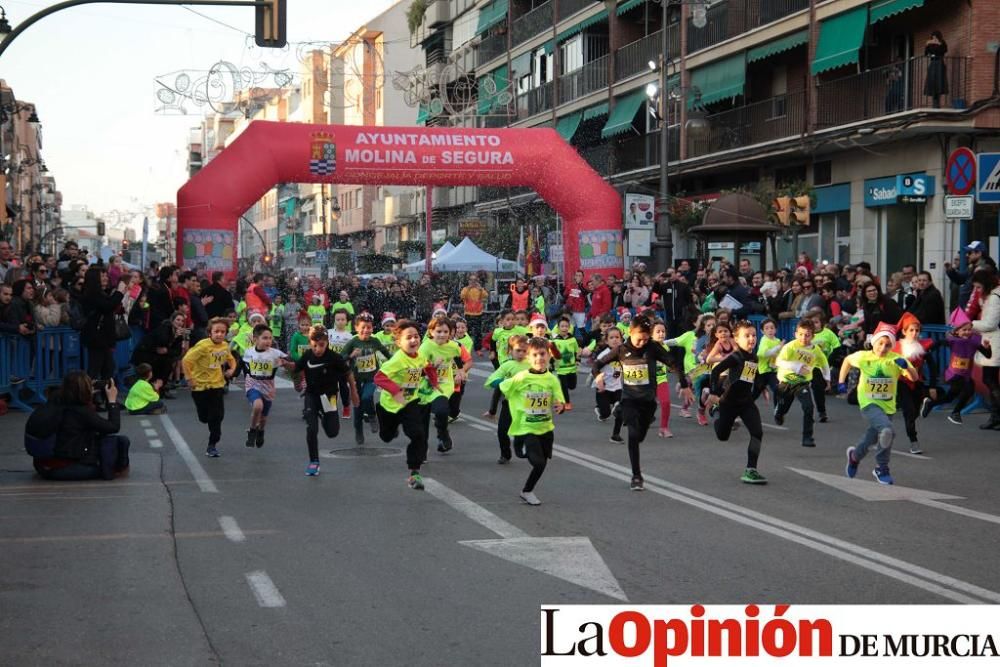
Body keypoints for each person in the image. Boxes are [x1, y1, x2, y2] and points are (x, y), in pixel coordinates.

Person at [592, 315, 687, 491]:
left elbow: (673, 364)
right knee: (633, 436)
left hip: (648, 402)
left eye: (645, 339)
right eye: (638, 339)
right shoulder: (621, 350)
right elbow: (597, 363)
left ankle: (619, 412)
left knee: (640, 435)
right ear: (630, 332)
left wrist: (685, 384)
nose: (642, 343)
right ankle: (636, 475)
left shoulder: (653, 347)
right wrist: (597, 375)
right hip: (629, 399)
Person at [840, 322, 918, 485]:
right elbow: (847, 361)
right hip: (868, 403)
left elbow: (914, 378)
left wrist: (907, 368)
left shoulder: (897, 359)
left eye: (888, 345)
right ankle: (881, 468)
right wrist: (841, 381)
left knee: (872, 437)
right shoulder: (863, 356)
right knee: (887, 431)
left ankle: (854, 457)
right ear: (873, 342)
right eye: (880, 343)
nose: (883, 348)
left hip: (888, 406)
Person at [498, 336, 566, 506]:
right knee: (538, 461)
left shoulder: (552, 379)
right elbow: (502, 386)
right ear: (528, 358)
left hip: (545, 427)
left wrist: (560, 406)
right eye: (535, 355)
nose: (539, 358)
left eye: (542, 354)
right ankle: (520, 441)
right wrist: (511, 396)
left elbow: (559, 400)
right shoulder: (522, 376)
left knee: (541, 464)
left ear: (549, 356)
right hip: (527, 425)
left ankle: (526, 491)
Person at [373, 319, 439, 490]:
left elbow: (427, 366)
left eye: (416, 337)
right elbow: (379, 377)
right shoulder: (397, 360)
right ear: (398, 342)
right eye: (408, 338)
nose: (413, 340)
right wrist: (396, 391)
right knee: (386, 437)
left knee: (418, 434)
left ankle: (414, 471)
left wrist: (434, 381)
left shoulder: (420, 356)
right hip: (391, 405)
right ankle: (383, 419)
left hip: (410, 402)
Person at [28, 372, 130, 481]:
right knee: (120, 443)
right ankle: (117, 469)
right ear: (84, 390)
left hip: (42, 466)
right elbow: (113, 427)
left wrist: (85, 394)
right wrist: (112, 401)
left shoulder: (53, 404)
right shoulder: (81, 412)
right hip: (67, 468)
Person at [706, 321, 767, 484]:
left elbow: (756, 376)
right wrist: (713, 393)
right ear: (737, 340)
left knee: (757, 432)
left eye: (754, 335)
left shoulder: (753, 357)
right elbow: (716, 370)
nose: (751, 339)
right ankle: (715, 411)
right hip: (729, 402)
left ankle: (751, 470)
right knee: (722, 436)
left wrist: (763, 388)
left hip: (746, 402)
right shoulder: (736, 356)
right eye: (747, 336)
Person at [294, 325, 358, 476]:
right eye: (314, 345)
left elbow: (348, 374)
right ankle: (314, 462)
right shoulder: (308, 355)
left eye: (321, 345)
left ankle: (324, 417)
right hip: (312, 395)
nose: (317, 349)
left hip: (329, 397)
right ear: (310, 342)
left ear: (327, 342)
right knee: (311, 429)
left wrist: (353, 393)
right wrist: (288, 368)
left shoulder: (334, 358)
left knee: (332, 432)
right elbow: (296, 368)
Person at [921, 308, 992, 423]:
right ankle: (955, 413)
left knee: (950, 397)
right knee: (969, 389)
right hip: (953, 374)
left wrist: (988, 347)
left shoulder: (974, 342)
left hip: (965, 375)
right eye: (964, 330)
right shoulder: (953, 341)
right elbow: (938, 343)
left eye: (969, 330)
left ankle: (930, 404)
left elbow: (987, 355)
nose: (967, 332)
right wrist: (926, 352)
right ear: (957, 331)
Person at [182, 318, 236, 458]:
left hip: (217, 385)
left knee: (217, 416)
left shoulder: (224, 346)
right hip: (199, 386)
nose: (219, 334)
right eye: (216, 331)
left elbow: (231, 359)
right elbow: (186, 361)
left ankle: (212, 445)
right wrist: (189, 378)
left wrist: (232, 370)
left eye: (222, 332)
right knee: (204, 418)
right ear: (210, 333)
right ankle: (206, 418)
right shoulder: (203, 346)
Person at [774, 320, 830, 447]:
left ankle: (807, 437)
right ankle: (779, 412)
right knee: (784, 405)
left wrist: (827, 379)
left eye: (807, 335)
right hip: (787, 380)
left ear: (813, 336)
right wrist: (796, 366)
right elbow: (779, 361)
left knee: (808, 406)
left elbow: (824, 363)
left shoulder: (816, 350)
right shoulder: (790, 346)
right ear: (795, 334)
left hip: (801, 382)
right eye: (801, 334)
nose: (803, 338)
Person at [340, 312, 391, 444]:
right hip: (355, 378)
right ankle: (358, 430)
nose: (366, 330)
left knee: (367, 397)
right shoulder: (353, 342)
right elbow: (341, 358)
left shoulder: (374, 341)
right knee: (358, 407)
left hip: (372, 376)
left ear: (372, 328)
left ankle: (373, 416)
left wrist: (396, 362)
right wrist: (351, 355)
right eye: (363, 327)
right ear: (356, 328)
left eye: (368, 327)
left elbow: (386, 353)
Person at [243, 323, 294, 449]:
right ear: (255, 339)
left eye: (270, 338)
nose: (268, 341)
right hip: (253, 384)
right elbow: (243, 367)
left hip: (268, 388)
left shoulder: (276, 353)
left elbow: (293, 365)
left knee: (264, 418)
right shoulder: (249, 353)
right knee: (257, 406)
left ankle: (261, 431)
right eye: (264, 338)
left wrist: (285, 363)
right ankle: (252, 430)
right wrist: (230, 373)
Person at [80, 267, 127, 403]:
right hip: (96, 337)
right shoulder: (92, 294)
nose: (106, 278)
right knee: (95, 369)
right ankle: (88, 398)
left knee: (108, 368)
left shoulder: (100, 293)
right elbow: (108, 306)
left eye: (106, 276)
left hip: (103, 337)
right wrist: (119, 292)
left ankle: (108, 399)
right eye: (102, 276)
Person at [892, 312, 934, 454]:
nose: (915, 333)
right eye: (911, 330)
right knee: (909, 412)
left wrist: (933, 385)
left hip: (917, 381)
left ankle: (925, 402)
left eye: (917, 330)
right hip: (902, 383)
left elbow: (933, 366)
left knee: (914, 413)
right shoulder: (896, 348)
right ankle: (914, 441)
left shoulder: (922, 348)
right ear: (904, 332)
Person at [970, 269, 1000, 430]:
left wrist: (970, 324)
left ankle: (997, 415)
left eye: (979, 287)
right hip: (992, 342)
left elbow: (990, 324)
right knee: (991, 379)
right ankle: (995, 415)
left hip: (994, 342)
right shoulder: (991, 296)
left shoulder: (994, 298)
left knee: (991, 379)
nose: (977, 291)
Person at [550, 316, 580, 411]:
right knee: (564, 387)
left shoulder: (573, 339)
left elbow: (576, 351)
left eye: (566, 326)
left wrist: (578, 361)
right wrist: (552, 363)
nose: (564, 328)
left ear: (569, 327)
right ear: (558, 328)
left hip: (572, 368)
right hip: (561, 369)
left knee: (572, 386)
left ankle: (560, 392)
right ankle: (567, 402)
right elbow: (552, 354)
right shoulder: (555, 341)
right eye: (562, 326)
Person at [460, 275, 488, 348]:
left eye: (474, 280)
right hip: (468, 313)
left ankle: (477, 347)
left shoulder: (479, 289)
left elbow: (486, 295)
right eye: (471, 280)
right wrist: (469, 288)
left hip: (478, 313)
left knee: (478, 332)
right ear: (469, 281)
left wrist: (481, 289)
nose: (473, 282)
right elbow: (462, 296)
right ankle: (465, 344)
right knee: (467, 331)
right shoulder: (465, 289)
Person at [923, 30, 949, 108]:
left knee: (939, 81)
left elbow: (944, 50)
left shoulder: (942, 42)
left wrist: (938, 43)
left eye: (935, 37)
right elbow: (926, 54)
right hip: (933, 63)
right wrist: (927, 45)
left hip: (939, 62)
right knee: (932, 81)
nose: (934, 38)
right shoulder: (930, 44)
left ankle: (937, 103)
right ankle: (934, 102)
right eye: (932, 37)